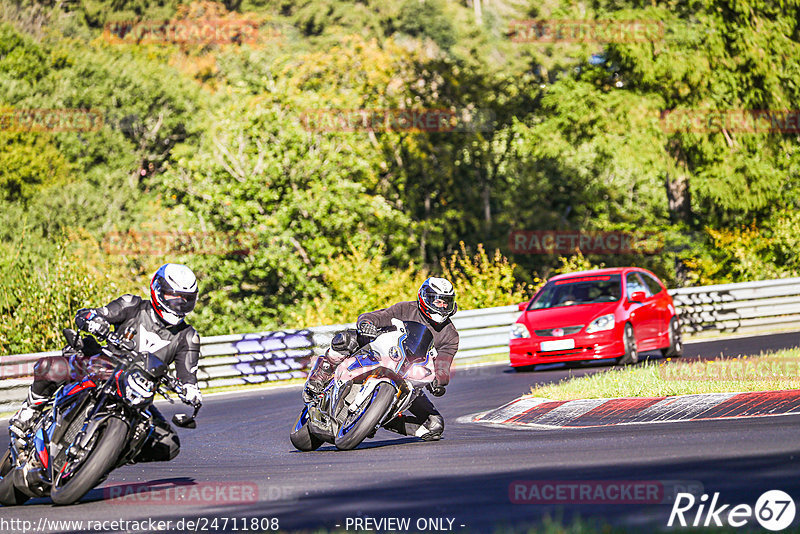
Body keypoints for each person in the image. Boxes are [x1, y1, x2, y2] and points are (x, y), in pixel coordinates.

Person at [8, 263, 203, 462]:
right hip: (102, 367)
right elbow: (94, 313)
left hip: (137, 393)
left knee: (169, 444)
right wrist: (94, 320)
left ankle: (109, 456)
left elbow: (187, 375)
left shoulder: (188, 337)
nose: (179, 304)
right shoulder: (132, 305)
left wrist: (190, 390)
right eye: (174, 296)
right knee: (50, 368)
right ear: (158, 290)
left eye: (186, 300)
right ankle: (28, 413)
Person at [303, 277, 459, 441]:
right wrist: (367, 324)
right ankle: (319, 379)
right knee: (345, 339)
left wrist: (439, 381)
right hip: (381, 353)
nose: (441, 306)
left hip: (409, 377)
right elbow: (378, 316)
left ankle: (379, 417)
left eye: (446, 302)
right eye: (437, 301)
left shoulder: (450, 335)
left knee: (435, 425)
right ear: (424, 297)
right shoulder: (405, 308)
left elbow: (443, 363)